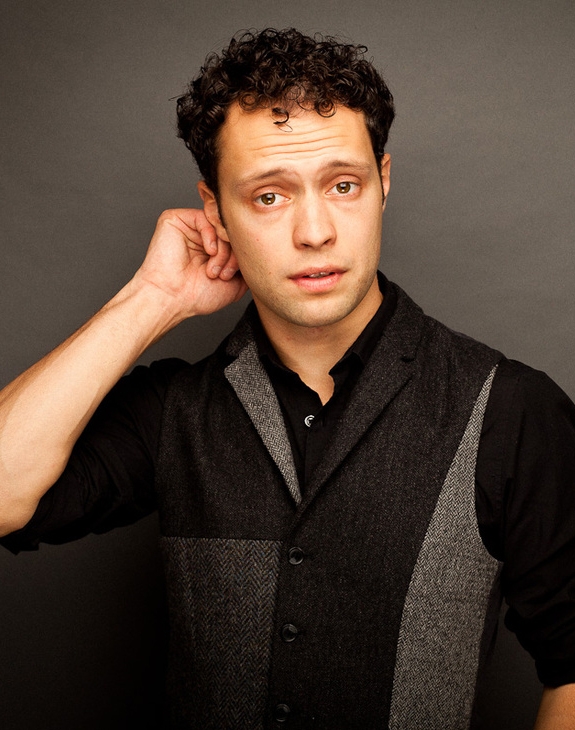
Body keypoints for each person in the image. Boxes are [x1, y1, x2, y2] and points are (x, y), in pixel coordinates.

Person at [0, 27, 574, 729]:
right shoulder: (176, 411)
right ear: (216, 210)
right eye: (269, 196)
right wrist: (152, 300)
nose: (315, 232)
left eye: (342, 185)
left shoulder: (511, 410)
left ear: (383, 183)